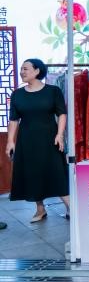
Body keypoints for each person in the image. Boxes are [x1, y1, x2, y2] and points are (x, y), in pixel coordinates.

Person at [7, 59, 70, 222]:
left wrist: (60, 134)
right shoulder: (17, 94)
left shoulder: (53, 91)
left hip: (50, 138)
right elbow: (13, 119)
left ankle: (70, 207)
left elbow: (62, 113)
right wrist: (10, 141)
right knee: (32, 172)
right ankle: (40, 209)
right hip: (26, 140)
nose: (22, 72)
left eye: (25, 69)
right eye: (21, 69)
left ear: (37, 71)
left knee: (56, 171)